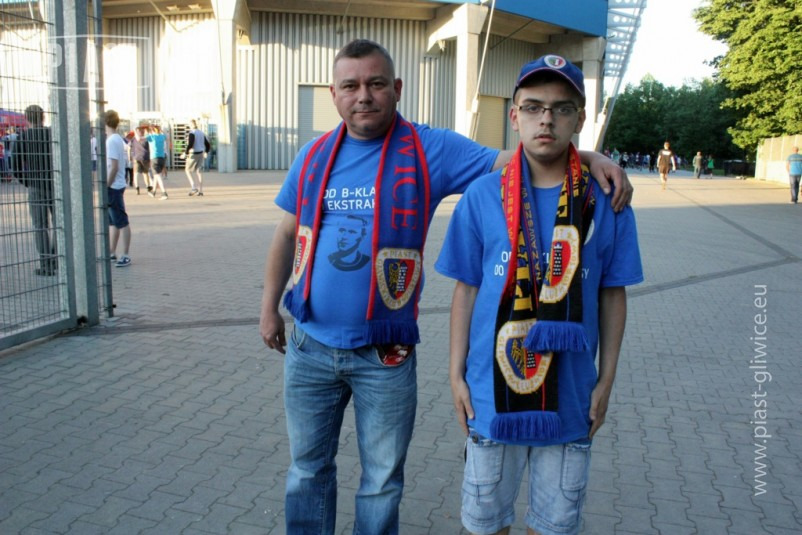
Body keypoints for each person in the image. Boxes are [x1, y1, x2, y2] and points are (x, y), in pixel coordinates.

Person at [259, 39, 632, 534]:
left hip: (384, 356)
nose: (363, 95)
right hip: (310, 345)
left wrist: (587, 156)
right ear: (334, 93)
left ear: (397, 88)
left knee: (381, 480)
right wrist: (269, 307)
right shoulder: (312, 156)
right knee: (307, 470)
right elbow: (287, 233)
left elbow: (520, 154)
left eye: (376, 84)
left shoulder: (429, 149)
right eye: (350, 85)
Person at [435, 54, 643, 535]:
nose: (546, 119)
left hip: (571, 399)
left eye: (561, 108)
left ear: (580, 119)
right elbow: (466, 290)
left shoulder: (605, 201)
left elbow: (613, 294)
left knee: (553, 527)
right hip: (491, 395)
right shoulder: (482, 196)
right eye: (533, 107)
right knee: (486, 525)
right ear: (514, 116)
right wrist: (455, 375)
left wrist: (606, 381)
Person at [14, 104, 57, 276]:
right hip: (55, 185)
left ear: (26, 119)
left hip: (36, 186)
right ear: (43, 117)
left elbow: (15, 165)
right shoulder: (53, 135)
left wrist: (28, 182)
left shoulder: (23, 138)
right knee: (59, 224)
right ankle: (56, 259)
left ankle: (45, 264)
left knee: (40, 226)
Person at [105, 110, 132, 267]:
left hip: (114, 186)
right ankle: (111, 252)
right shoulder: (116, 139)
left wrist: (106, 185)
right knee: (114, 221)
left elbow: (113, 167)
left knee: (121, 221)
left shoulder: (111, 141)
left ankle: (125, 254)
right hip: (115, 185)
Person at [184, 119, 210, 196]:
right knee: (198, 172)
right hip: (201, 153)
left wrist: (185, 153)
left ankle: (193, 187)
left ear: (191, 125)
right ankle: (201, 191)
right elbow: (207, 144)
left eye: (189, 124)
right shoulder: (201, 133)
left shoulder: (192, 133)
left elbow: (190, 144)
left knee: (187, 170)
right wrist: (206, 152)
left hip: (194, 153)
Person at [145, 125, 169, 200]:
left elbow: (143, 138)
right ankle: (153, 191)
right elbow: (166, 136)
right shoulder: (162, 136)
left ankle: (164, 192)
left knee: (158, 175)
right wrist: (161, 131)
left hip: (154, 158)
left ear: (152, 131)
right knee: (156, 175)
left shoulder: (152, 137)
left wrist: (147, 132)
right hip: (162, 157)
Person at [131, 126, 151, 195]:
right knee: (144, 173)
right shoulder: (146, 138)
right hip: (144, 157)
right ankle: (147, 187)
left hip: (138, 157)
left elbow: (127, 144)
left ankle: (138, 188)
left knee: (137, 173)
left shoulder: (134, 138)